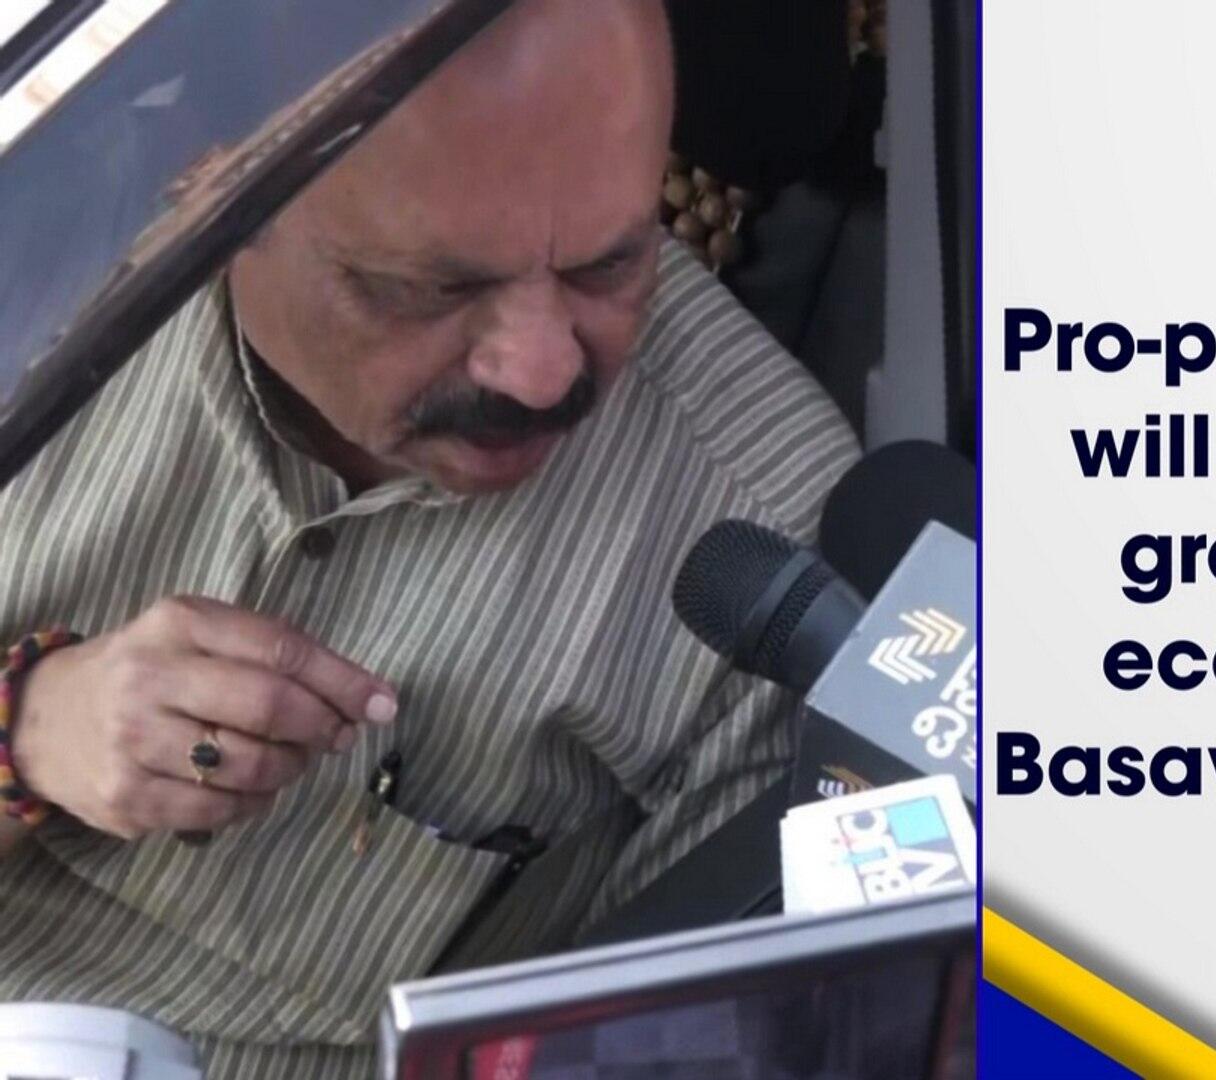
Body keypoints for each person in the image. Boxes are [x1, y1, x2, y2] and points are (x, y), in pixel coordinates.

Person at [0, 0, 857, 1075]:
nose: (542, 370)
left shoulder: (771, 561)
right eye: (431, 290)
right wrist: (27, 733)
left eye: (610, 267)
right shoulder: (33, 254)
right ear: (210, 186)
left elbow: (666, 1041)